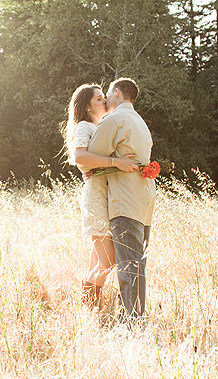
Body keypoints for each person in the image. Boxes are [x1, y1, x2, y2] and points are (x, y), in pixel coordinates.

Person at [62, 83, 138, 309]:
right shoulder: (84, 127)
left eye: (104, 97)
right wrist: (116, 162)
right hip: (96, 196)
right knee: (108, 261)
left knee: (98, 260)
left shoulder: (99, 126)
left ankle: (90, 310)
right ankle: (89, 307)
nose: (104, 102)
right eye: (98, 99)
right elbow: (79, 157)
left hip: (104, 194)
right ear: (86, 106)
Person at [87, 78, 156, 323]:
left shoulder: (114, 120)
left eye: (107, 94)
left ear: (117, 93)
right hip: (144, 199)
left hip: (125, 200)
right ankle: (132, 316)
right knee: (137, 263)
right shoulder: (141, 123)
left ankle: (131, 322)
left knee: (129, 265)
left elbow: (89, 157)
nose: (105, 99)